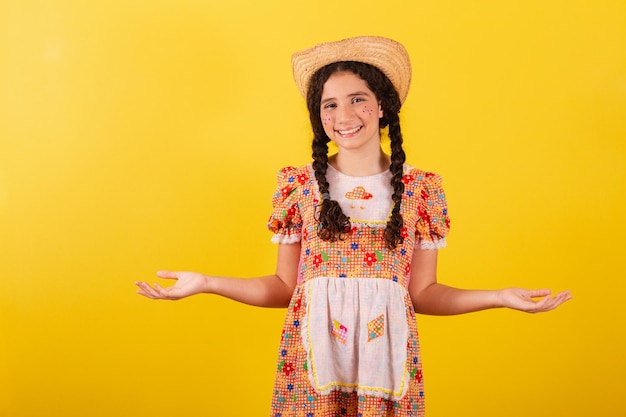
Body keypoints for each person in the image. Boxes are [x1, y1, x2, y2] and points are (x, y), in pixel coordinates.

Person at [135, 36, 572, 417]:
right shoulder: (299, 186)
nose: (344, 113)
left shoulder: (422, 190)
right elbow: (286, 287)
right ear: (319, 116)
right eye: (330, 103)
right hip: (310, 373)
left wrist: (499, 297)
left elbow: (423, 294)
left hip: (385, 371)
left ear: (382, 106)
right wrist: (207, 282)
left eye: (357, 98)